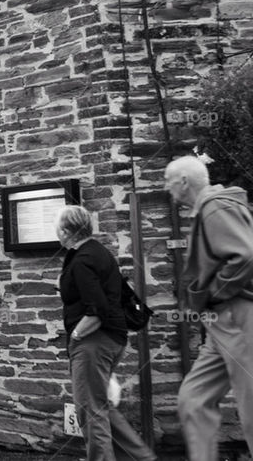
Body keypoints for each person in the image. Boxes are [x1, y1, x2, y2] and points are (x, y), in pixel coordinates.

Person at [165, 155, 253, 460]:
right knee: (194, 399)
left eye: (168, 181)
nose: (167, 188)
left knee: (252, 407)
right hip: (219, 321)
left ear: (184, 181)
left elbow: (244, 255)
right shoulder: (208, 209)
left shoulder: (216, 205)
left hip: (238, 315)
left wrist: (214, 291)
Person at [57, 205, 155, 460]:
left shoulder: (82, 260)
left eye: (58, 227)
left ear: (66, 231)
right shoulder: (99, 253)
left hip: (93, 342)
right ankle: (141, 457)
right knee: (101, 406)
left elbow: (96, 309)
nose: (56, 231)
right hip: (113, 339)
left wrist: (77, 336)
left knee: (90, 412)